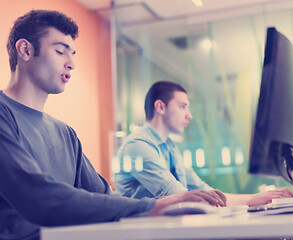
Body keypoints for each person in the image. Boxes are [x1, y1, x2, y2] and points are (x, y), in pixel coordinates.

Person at [0, 10, 226, 240]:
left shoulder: (64, 133)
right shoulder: (3, 115)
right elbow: (40, 199)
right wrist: (152, 207)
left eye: (73, 54)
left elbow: (105, 196)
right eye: (60, 51)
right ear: (25, 50)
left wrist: (164, 206)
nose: (71, 64)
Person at [115, 80, 293, 206]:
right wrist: (250, 200)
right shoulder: (138, 146)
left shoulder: (170, 148)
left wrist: (255, 198)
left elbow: (205, 192)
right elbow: (180, 196)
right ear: (161, 107)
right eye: (182, 106)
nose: (189, 115)